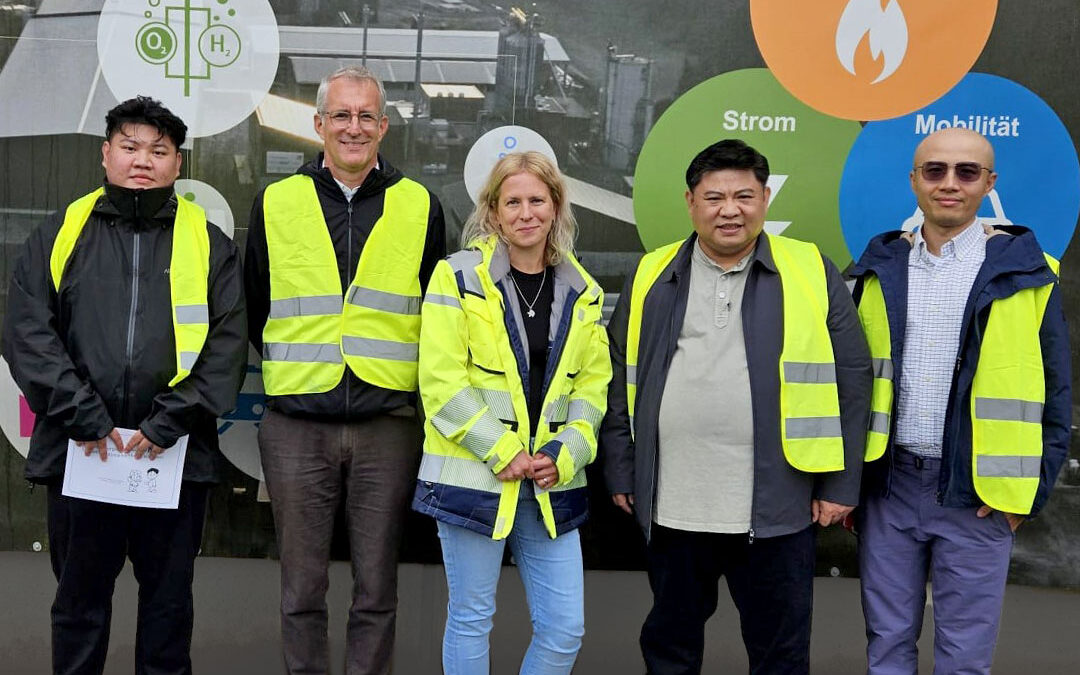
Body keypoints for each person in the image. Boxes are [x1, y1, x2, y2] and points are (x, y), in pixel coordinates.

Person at [601, 139, 872, 674]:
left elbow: (854, 378)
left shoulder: (809, 269)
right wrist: (620, 467)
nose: (730, 209)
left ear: (766, 199)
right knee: (670, 650)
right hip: (673, 504)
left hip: (779, 507)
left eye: (744, 195)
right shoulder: (652, 273)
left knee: (780, 656)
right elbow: (616, 377)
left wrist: (841, 485)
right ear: (690, 202)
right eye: (714, 196)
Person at [1, 95, 247, 675]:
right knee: (79, 610)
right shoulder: (62, 232)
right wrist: (84, 417)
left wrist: (168, 422)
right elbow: (28, 332)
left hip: (173, 458)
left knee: (167, 614)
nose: (144, 161)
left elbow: (227, 344)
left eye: (159, 150)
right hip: (82, 454)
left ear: (177, 164)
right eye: (131, 147)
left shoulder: (209, 242)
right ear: (106, 154)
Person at [244, 65, 446, 675]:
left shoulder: (420, 204)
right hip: (298, 423)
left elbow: (437, 310)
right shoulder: (276, 201)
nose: (353, 128)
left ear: (383, 126)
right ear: (319, 124)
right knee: (301, 594)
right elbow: (257, 304)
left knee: (376, 593)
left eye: (365, 116)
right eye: (341, 115)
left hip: (388, 423)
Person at [851, 127, 1071, 674]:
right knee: (886, 649)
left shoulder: (1032, 276)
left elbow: (1057, 392)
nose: (950, 183)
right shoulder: (873, 273)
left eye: (967, 172)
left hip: (978, 493)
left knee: (965, 659)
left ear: (989, 183)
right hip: (890, 491)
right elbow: (849, 385)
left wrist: (1030, 490)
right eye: (935, 170)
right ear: (914, 181)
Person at [413, 151, 611, 674]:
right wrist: (502, 451)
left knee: (565, 628)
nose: (526, 213)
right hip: (475, 476)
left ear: (556, 207)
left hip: (549, 482)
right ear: (493, 212)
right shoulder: (455, 277)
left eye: (537, 200)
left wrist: (563, 454)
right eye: (513, 202)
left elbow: (592, 391)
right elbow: (440, 381)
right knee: (473, 616)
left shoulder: (582, 290)